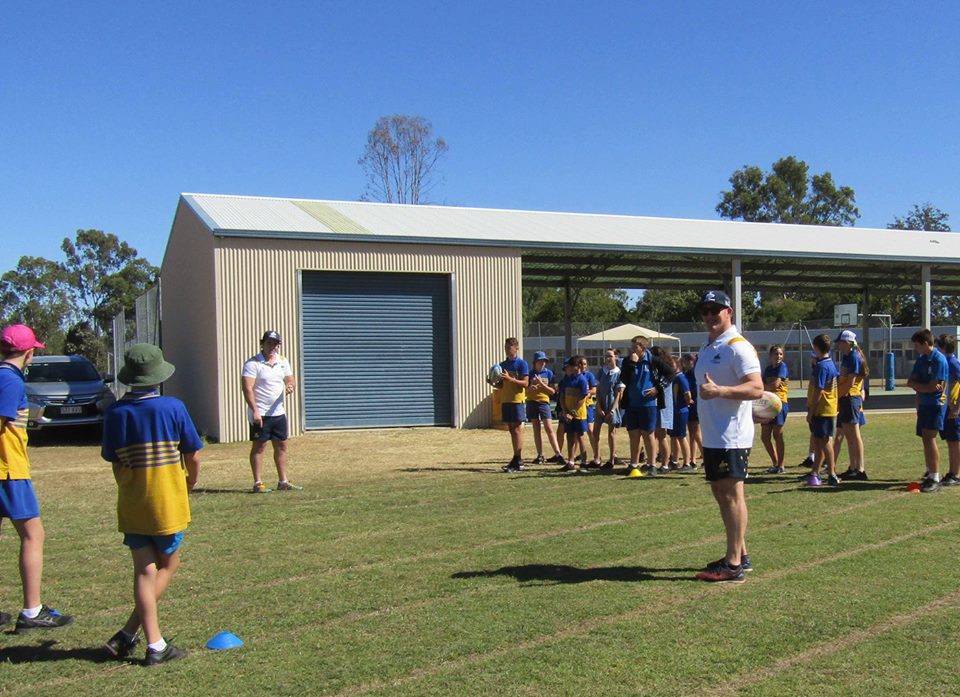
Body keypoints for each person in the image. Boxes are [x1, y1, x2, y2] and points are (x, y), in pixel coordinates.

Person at [101, 344, 202, 666]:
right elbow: (193, 453)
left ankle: (131, 636)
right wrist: (190, 481)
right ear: (159, 376)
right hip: (167, 502)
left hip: (133, 502)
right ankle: (149, 641)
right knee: (169, 565)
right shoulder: (173, 407)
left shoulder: (115, 413)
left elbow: (113, 459)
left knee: (144, 571)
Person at [0, 324, 73, 632]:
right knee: (34, 535)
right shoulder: (10, 380)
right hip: (8, 470)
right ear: (28, 353)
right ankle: (32, 611)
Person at [692, 291, 763, 584]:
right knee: (722, 494)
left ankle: (733, 564)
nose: (710, 315)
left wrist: (721, 391)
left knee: (733, 495)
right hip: (713, 434)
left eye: (715, 310)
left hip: (731, 435)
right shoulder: (709, 346)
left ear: (729, 312)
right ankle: (740, 555)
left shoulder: (738, 347)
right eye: (706, 310)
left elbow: (757, 388)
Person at [242, 331, 301, 492]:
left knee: (281, 445)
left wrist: (290, 385)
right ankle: (258, 483)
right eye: (269, 343)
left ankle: (283, 481)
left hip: (278, 413)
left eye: (275, 344)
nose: (272, 347)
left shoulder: (282, 361)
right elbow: (247, 388)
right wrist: (255, 411)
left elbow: (290, 378)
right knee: (259, 447)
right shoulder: (253, 363)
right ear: (263, 344)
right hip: (260, 413)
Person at [619, 336, 674, 476]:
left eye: (635, 347)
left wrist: (658, 388)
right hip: (632, 402)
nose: (632, 349)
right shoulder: (627, 361)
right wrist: (632, 365)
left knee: (648, 434)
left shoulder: (653, 360)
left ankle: (652, 464)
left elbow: (670, 374)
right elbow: (624, 379)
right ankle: (634, 464)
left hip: (648, 404)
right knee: (633, 434)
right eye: (632, 347)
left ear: (642, 348)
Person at [907, 329, 948, 493]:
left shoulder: (939, 360)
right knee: (925, 439)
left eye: (917, 345)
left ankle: (935, 477)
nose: (915, 349)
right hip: (923, 404)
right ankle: (930, 472)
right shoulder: (922, 359)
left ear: (925, 343)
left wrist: (923, 387)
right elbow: (911, 381)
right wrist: (924, 388)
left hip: (934, 405)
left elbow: (933, 388)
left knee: (930, 438)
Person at [806, 335, 841, 487]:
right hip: (827, 408)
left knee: (825, 441)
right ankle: (815, 472)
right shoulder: (830, 364)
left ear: (816, 347)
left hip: (823, 409)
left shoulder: (822, 367)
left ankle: (832, 473)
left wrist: (811, 411)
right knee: (819, 441)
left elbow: (818, 391)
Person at [835, 330, 869, 481]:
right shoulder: (848, 357)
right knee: (849, 436)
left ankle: (860, 469)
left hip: (850, 398)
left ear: (847, 343)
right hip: (845, 399)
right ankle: (853, 467)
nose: (838, 345)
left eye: (841, 342)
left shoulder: (853, 357)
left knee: (855, 435)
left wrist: (836, 397)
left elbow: (850, 383)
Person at [525, 351, 564, 465]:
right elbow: (525, 392)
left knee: (549, 428)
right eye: (540, 361)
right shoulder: (529, 374)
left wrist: (542, 385)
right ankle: (540, 455)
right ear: (535, 362)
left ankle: (558, 453)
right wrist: (531, 388)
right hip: (532, 402)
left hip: (544, 403)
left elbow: (553, 391)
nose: (542, 363)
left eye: (544, 361)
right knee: (536, 429)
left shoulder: (549, 373)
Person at [497, 337, 529, 473]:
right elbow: (501, 385)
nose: (507, 350)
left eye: (509, 348)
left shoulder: (521, 364)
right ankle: (516, 457)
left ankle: (518, 459)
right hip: (506, 400)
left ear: (516, 348)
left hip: (517, 400)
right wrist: (492, 382)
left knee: (517, 429)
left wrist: (511, 379)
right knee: (510, 428)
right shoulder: (502, 364)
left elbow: (526, 383)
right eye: (505, 348)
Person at [593, 348, 625, 469]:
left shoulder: (618, 373)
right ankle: (597, 458)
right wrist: (598, 406)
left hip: (612, 404)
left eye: (610, 356)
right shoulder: (602, 371)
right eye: (606, 356)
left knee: (611, 433)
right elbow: (598, 390)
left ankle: (612, 459)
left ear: (616, 357)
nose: (607, 358)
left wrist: (612, 410)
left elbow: (618, 394)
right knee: (595, 431)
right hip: (601, 403)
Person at [761, 345, 790, 474]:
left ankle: (781, 465)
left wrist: (764, 387)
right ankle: (775, 463)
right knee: (765, 436)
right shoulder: (767, 369)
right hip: (767, 404)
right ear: (770, 355)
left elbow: (775, 385)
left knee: (777, 434)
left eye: (780, 354)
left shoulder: (782, 367)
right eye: (776, 354)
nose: (778, 356)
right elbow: (761, 385)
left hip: (779, 403)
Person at [936, 334, 960, 486]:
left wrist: (957, 407)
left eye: (938, 346)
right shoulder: (945, 362)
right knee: (950, 440)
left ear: (943, 348)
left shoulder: (952, 362)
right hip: (947, 408)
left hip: (953, 409)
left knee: (954, 442)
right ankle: (951, 471)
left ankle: (955, 473)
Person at [558, 356, 590, 472]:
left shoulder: (582, 380)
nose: (572, 369)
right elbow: (561, 396)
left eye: (574, 366)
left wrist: (572, 412)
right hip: (568, 414)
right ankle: (570, 462)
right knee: (570, 436)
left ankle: (584, 462)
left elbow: (583, 398)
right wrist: (565, 411)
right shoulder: (567, 380)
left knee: (580, 437)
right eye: (570, 366)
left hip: (579, 414)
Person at [668, 356, 693, 469]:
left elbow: (687, 394)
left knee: (681, 436)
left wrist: (687, 402)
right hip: (672, 411)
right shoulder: (672, 378)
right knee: (673, 436)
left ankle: (687, 462)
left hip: (680, 410)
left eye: (672, 364)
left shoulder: (681, 378)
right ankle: (674, 460)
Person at [681, 353, 702, 468]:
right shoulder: (687, 373)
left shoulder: (693, 373)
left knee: (696, 433)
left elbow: (692, 389)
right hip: (690, 404)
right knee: (692, 434)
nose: (683, 365)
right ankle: (692, 459)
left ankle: (706, 456)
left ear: (690, 362)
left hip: (694, 404)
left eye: (684, 362)